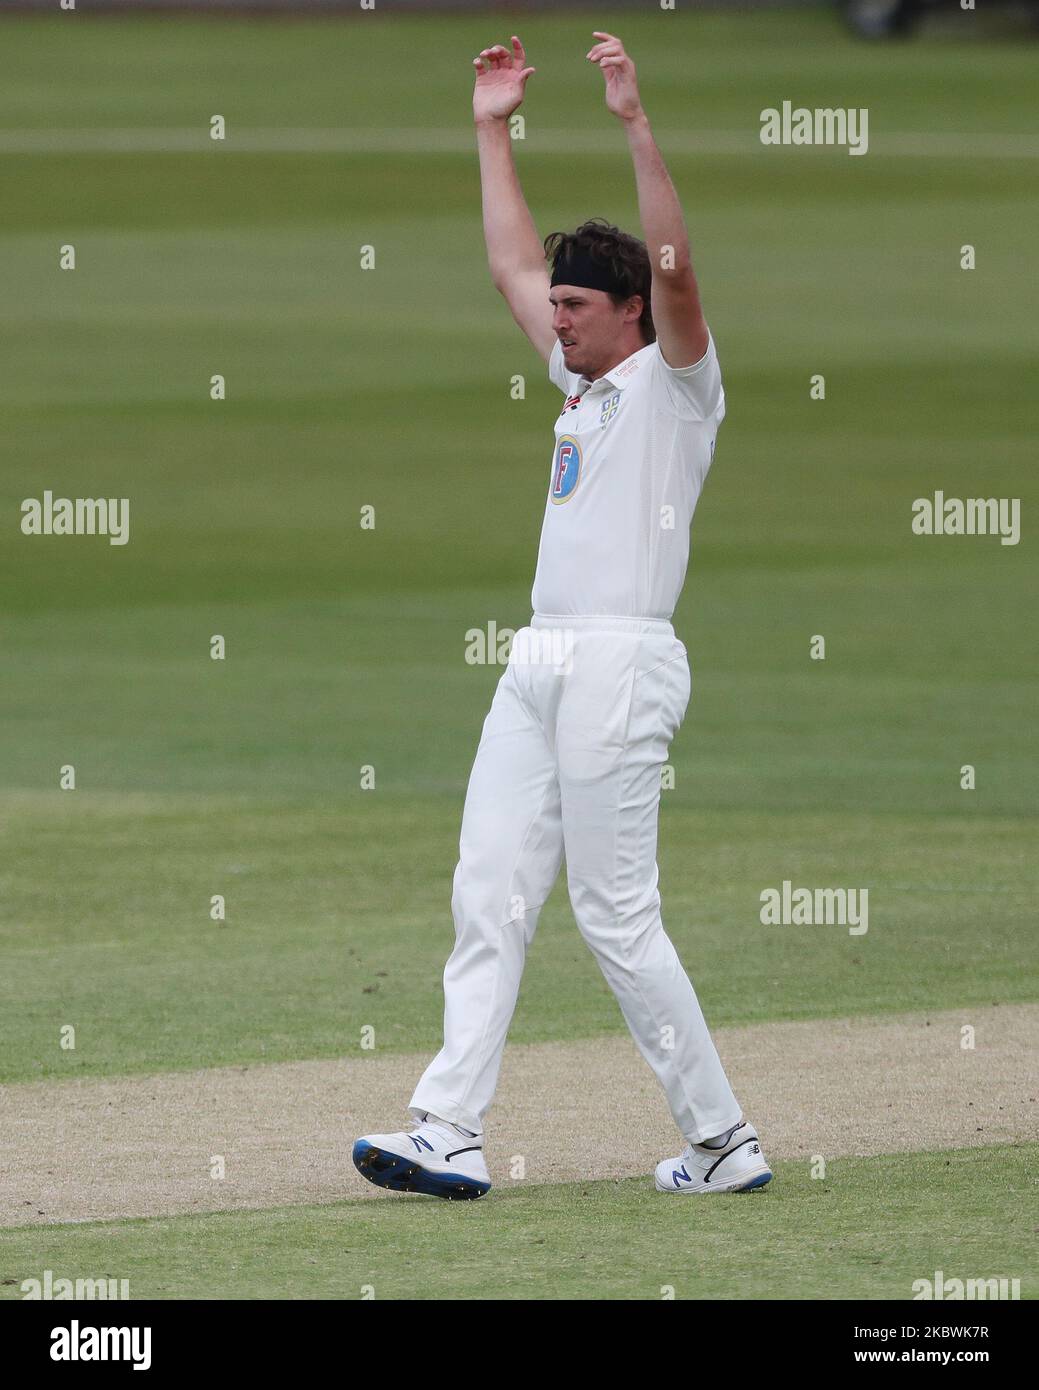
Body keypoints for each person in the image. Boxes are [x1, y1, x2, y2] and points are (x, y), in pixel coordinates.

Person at [353, 32, 771, 1200]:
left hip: (621, 661)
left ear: (633, 312)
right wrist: (491, 125)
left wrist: (634, 120)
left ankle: (722, 1139)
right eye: (561, 309)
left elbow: (680, 267)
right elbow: (503, 264)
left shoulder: (676, 382)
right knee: (486, 889)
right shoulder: (584, 381)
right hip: (537, 659)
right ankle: (447, 1127)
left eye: (580, 308)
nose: (559, 324)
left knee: (614, 914)